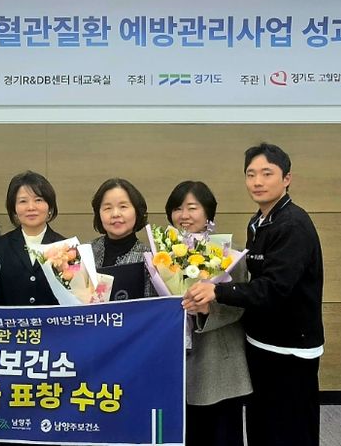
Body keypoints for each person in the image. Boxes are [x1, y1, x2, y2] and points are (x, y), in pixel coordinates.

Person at [183, 143, 324, 446]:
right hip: (261, 344)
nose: (257, 182)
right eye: (251, 174)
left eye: (267, 173)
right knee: (263, 429)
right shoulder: (258, 221)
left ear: (287, 178)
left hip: (290, 350)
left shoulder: (293, 225)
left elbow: (274, 288)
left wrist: (217, 291)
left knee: (290, 432)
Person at [165, 181, 251, 446]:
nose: (184, 215)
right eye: (177, 208)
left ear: (208, 213)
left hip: (217, 360)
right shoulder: (162, 255)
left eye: (192, 208)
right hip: (178, 360)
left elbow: (241, 304)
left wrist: (207, 309)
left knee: (222, 434)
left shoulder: (228, 254)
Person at [0, 170, 65, 306]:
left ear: (50, 207)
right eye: (23, 201)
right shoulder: (0, 246)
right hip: (11, 320)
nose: (31, 207)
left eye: (38, 200)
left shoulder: (66, 247)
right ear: (14, 208)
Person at [90, 177, 154, 297]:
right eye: (108, 208)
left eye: (123, 206)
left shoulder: (150, 259)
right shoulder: (87, 252)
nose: (115, 214)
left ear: (137, 211)